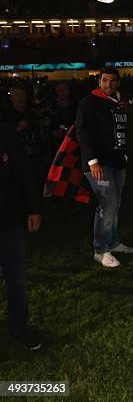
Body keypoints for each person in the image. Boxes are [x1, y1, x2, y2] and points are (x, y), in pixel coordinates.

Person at [75, 67, 133, 268]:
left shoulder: (117, 102)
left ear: (118, 82)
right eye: (105, 80)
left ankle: (113, 241)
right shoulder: (89, 102)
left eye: (112, 81)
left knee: (115, 204)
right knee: (107, 205)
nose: (108, 84)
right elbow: (81, 132)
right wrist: (93, 161)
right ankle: (101, 250)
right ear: (99, 81)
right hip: (99, 164)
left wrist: (124, 154)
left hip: (117, 161)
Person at [0, 121, 42, 350]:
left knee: (15, 280)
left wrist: (33, 208)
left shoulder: (6, 132)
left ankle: (20, 327)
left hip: (9, 220)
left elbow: (24, 172)